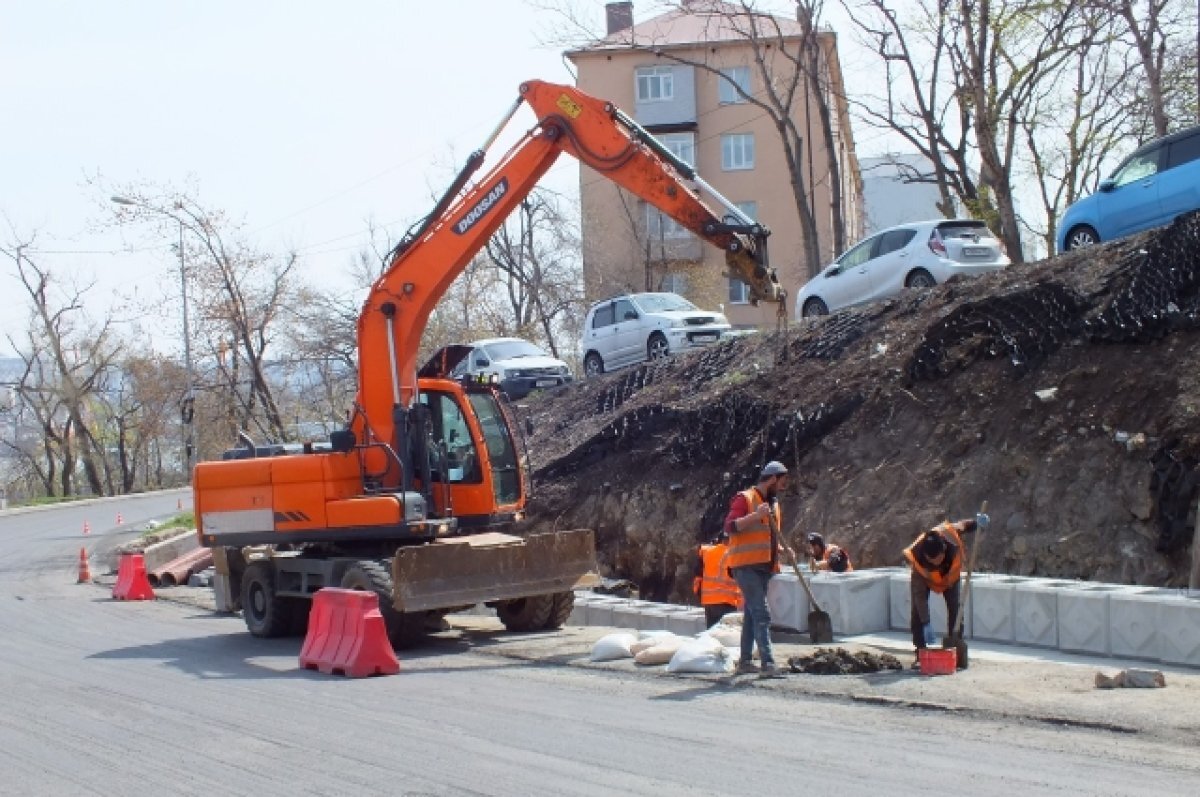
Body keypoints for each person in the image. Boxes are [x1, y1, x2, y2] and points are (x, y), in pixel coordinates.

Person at [723, 460, 794, 679]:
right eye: (781, 482)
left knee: (753, 616)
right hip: (745, 566)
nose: (783, 487)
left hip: (764, 567)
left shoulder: (773, 504)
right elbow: (729, 527)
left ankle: (745, 662)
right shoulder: (745, 498)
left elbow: (766, 535)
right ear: (772, 479)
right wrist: (755, 515)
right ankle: (768, 664)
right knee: (762, 614)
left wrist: (782, 549)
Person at [902, 512, 989, 663]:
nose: (938, 561)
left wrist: (976, 523)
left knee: (956, 610)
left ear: (943, 548)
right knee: (917, 613)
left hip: (951, 578)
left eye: (940, 557)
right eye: (934, 560)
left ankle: (956, 649)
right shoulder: (917, 560)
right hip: (926, 580)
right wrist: (926, 622)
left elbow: (963, 525)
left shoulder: (948, 534)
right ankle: (920, 652)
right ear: (927, 556)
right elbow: (920, 598)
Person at [692, 533, 742, 627]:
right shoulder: (733, 554)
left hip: (708, 601)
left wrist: (698, 593)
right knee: (724, 634)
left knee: (711, 634)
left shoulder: (708, 551)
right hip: (726, 601)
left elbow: (698, 574)